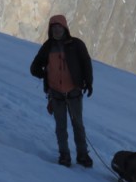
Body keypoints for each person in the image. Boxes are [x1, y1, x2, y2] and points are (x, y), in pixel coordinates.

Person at [29, 14, 94, 167]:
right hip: (57, 93)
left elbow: (86, 64)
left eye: (59, 27)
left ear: (64, 28)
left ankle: (80, 154)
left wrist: (88, 83)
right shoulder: (50, 46)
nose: (57, 30)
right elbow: (34, 68)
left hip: (72, 92)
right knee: (62, 126)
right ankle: (67, 154)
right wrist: (46, 75)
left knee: (76, 125)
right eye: (54, 28)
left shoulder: (75, 45)